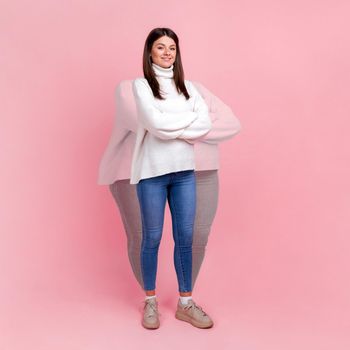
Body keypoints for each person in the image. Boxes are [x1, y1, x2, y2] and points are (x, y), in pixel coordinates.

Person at [98, 27, 241, 329]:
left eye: (172, 48)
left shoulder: (190, 87)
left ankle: (185, 303)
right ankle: (149, 301)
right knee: (151, 238)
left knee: (186, 239)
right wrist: (186, 124)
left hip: (184, 174)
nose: (167, 53)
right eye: (160, 47)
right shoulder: (139, 85)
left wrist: (172, 125)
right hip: (152, 174)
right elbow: (154, 124)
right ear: (149, 51)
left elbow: (188, 124)